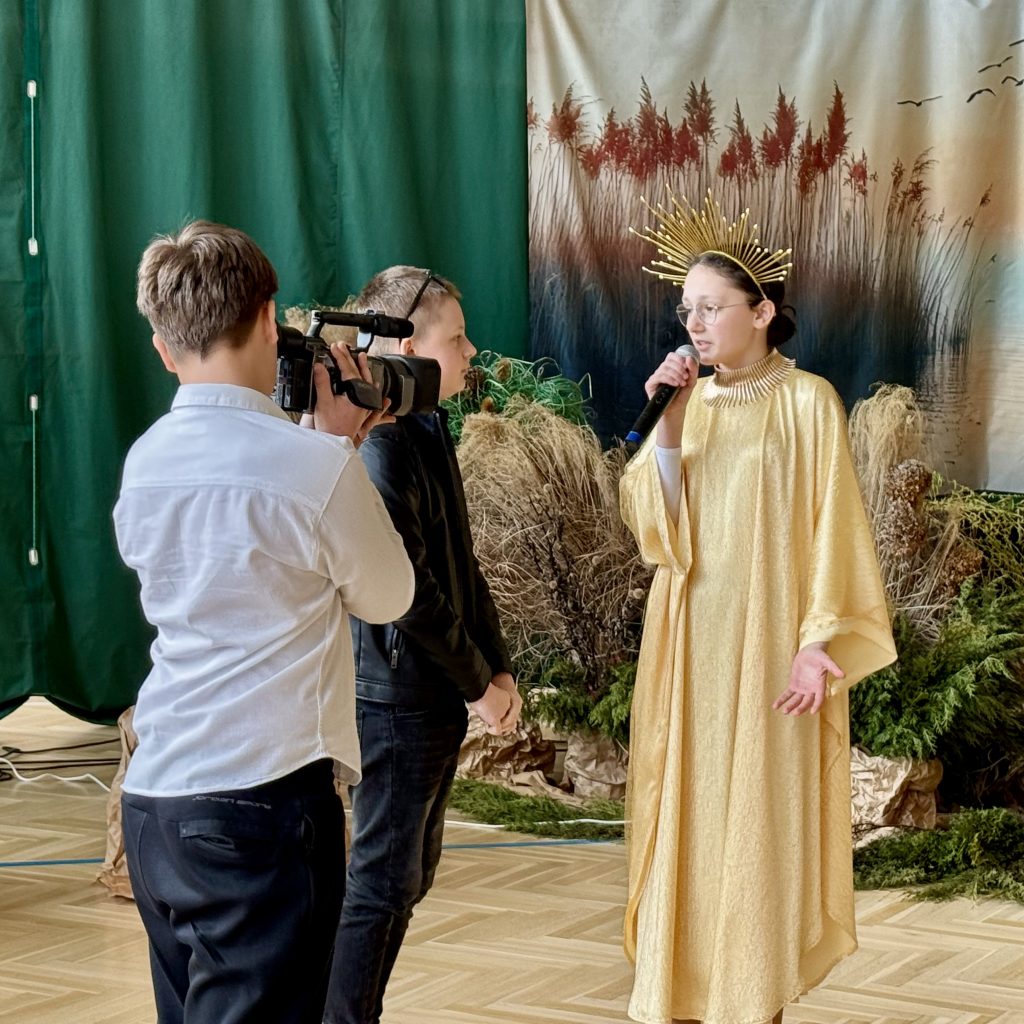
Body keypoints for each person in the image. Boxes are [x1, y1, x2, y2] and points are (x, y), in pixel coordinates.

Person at [114, 220, 415, 1024]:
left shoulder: (144, 460)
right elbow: (390, 596)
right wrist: (339, 448)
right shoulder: (314, 466)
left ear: (162, 347)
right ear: (268, 318)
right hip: (260, 806)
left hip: (155, 806)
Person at [621, 193, 897, 1024]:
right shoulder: (688, 403)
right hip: (689, 648)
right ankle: (679, 995)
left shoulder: (809, 402)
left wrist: (819, 641)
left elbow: (833, 527)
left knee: (760, 824)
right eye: (687, 310)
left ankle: (753, 1000)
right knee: (686, 813)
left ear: (762, 311)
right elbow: (658, 532)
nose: (694, 325)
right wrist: (670, 427)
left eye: (711, 307)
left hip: (773, 647)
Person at [323, 266, 522, 1024]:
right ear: (403, 347)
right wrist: (478, 684)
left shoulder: (428, 426)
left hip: (432, 693)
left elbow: (460, 563)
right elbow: (411, 595)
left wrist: (497, 667)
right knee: (380, 883)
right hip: (396, 700)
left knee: (406, 879)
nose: (470, 351)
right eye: (457, 337)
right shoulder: (381, 445)